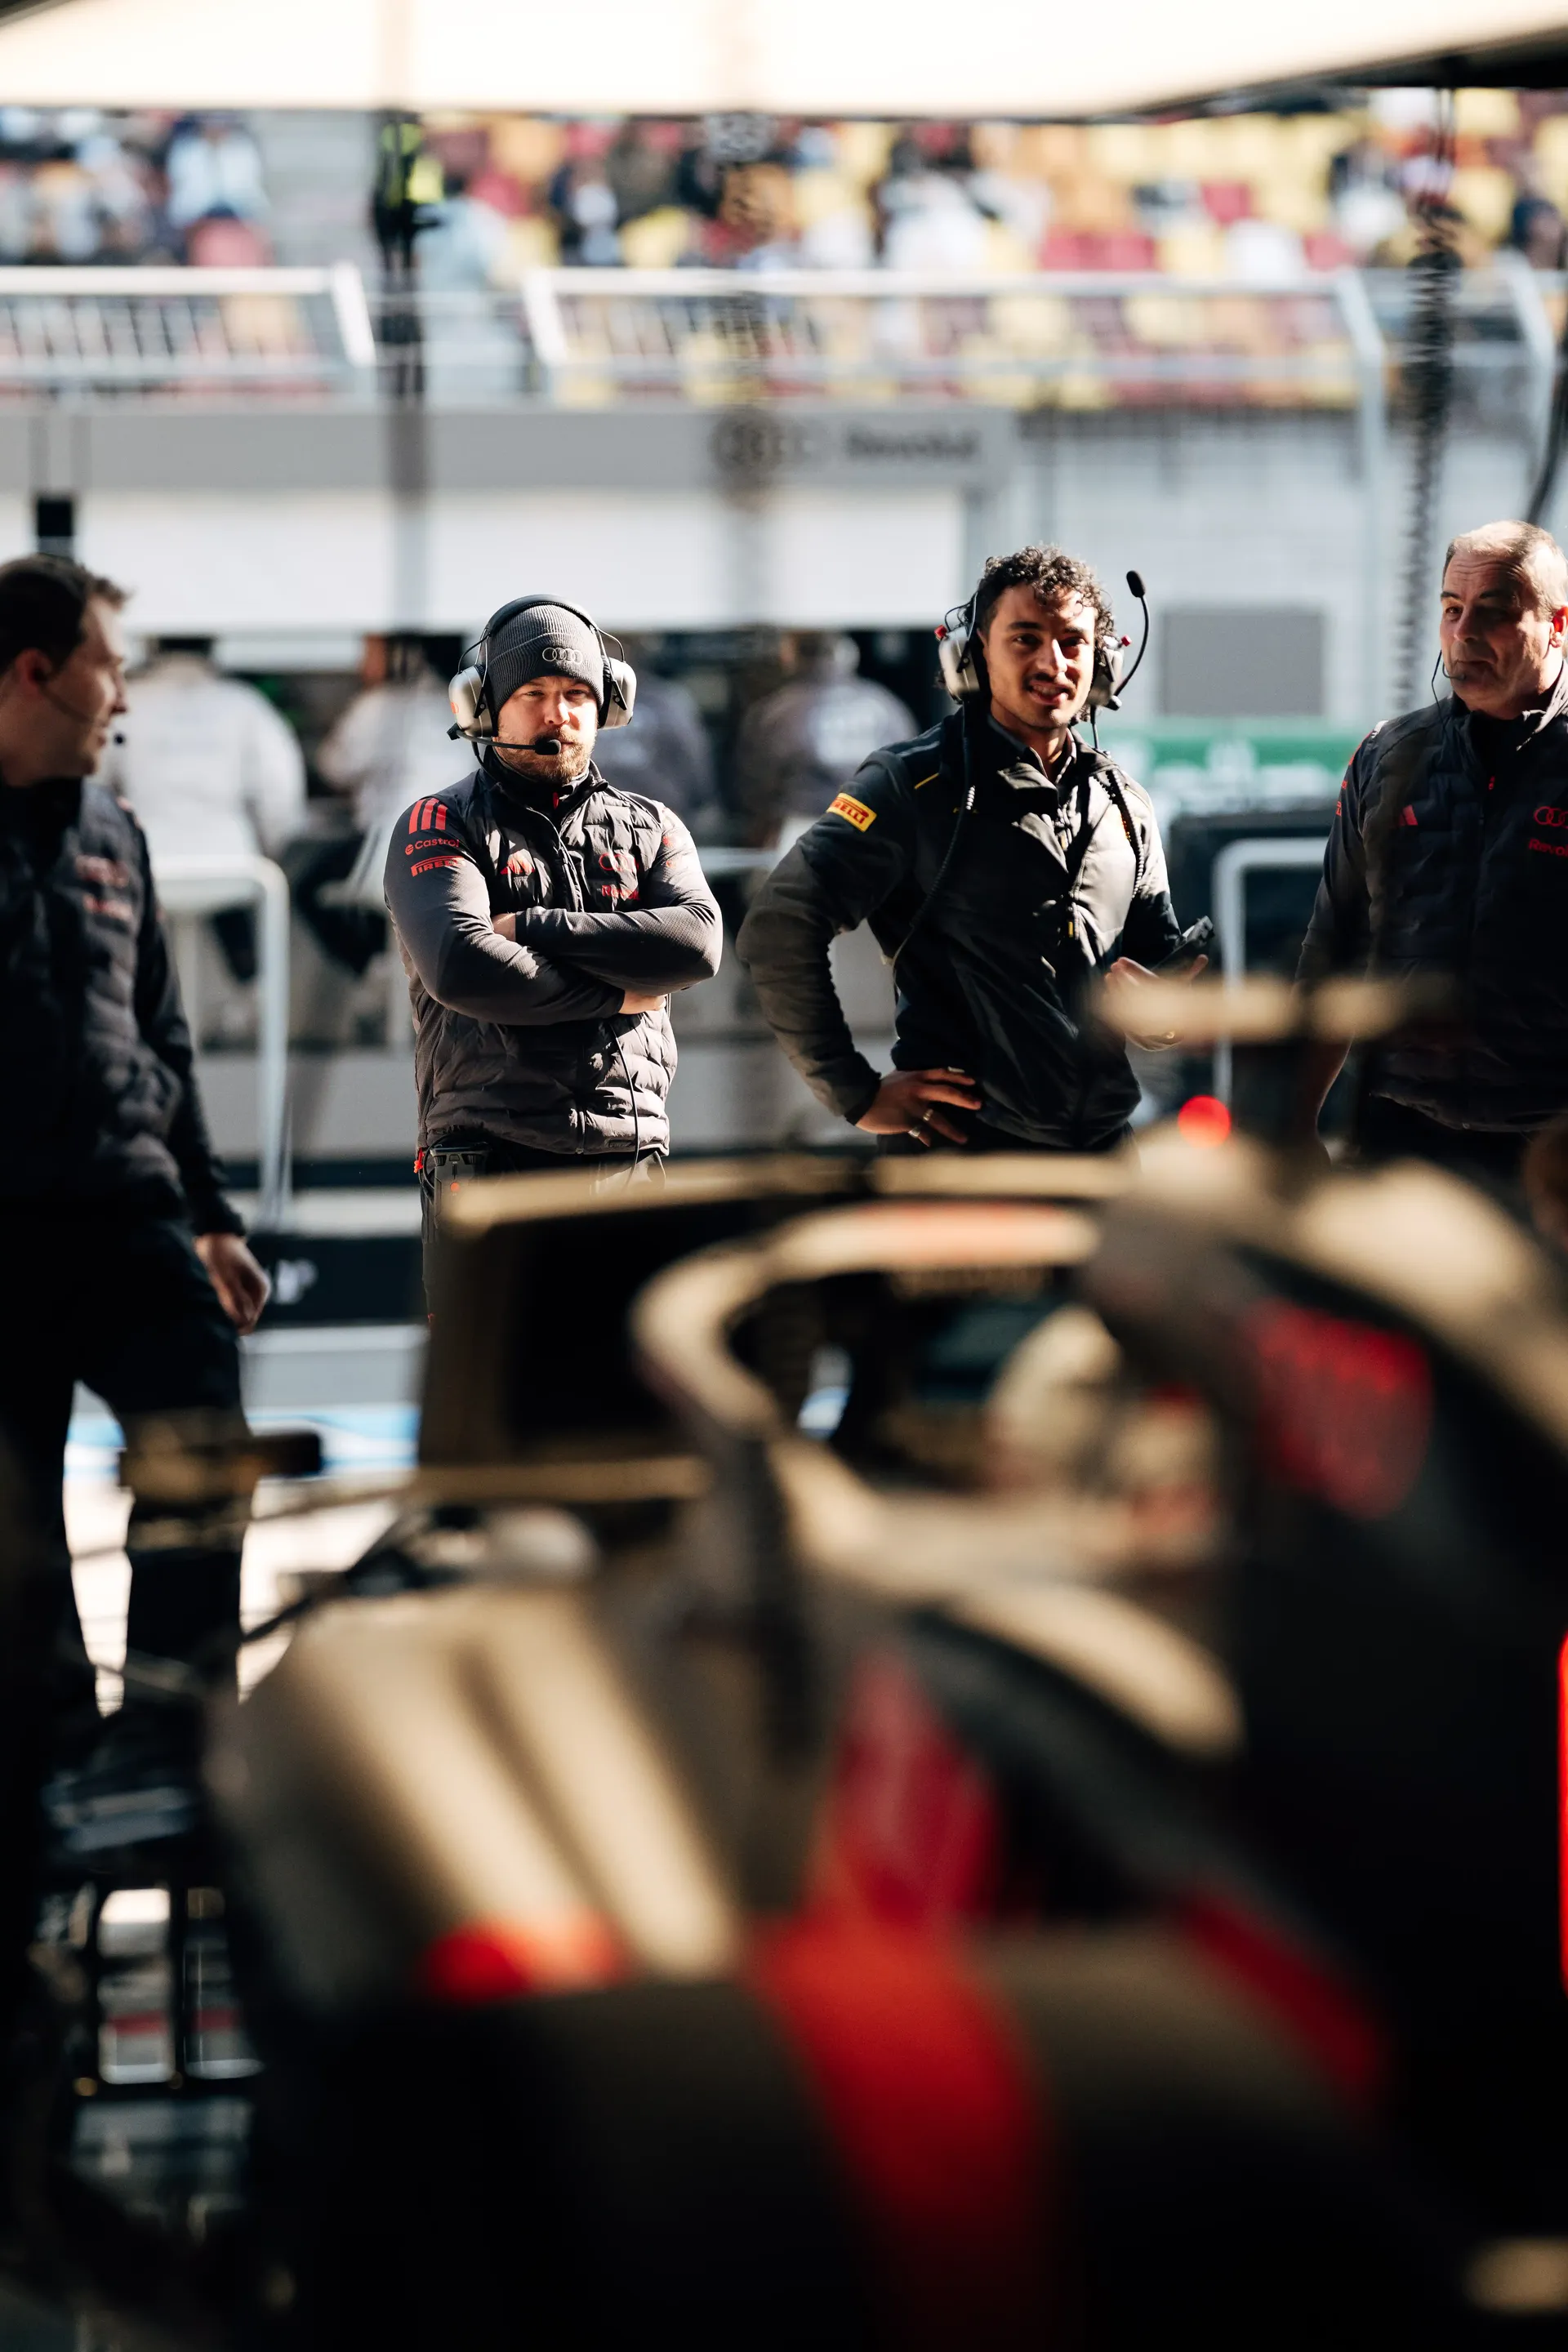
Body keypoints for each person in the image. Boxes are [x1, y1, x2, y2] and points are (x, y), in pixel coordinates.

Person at [0, 558, 270, 1774]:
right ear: (35, 673)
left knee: (203, 1434)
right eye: (109, 667)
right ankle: (48, 1763)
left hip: (127, 1216)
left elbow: (163, 1035)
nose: (123, 697)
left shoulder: (120, 834)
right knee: (15, 1539)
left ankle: (171, 1736)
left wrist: (211, 1216)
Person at [737, 545, 1193, 1154]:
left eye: (1072, 642)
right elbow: (779, 924)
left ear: (1102, 661)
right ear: (973, 654)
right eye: (1025, 639)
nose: (1052, 662)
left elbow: (1156, 970)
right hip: (961, 1160)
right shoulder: (910, 784)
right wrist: (855, 1092)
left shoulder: (1124, 804)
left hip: (1104, 1156)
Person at [381, 596, 723, 1285]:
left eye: (575, 694)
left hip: (629, 1160)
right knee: (493, 1392)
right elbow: (463, 966)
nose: (557, 713)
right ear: (483, 708)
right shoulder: (437, 822)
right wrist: (626, 991)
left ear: (609, 706)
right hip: (488, 1155)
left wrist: (533, 928)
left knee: (630, 1390)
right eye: (533, 693)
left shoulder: (655, 825)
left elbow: (697, 945)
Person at [1298, 520, 1568, 1181]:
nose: (1464, 633)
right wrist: (1292, 1120)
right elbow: (1334, 946)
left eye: (1494, 613)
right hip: (1400, 1136)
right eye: (1452, 609)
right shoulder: (1389, 756)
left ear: (1558, 623)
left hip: (1552, 1149)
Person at [105, 635, 305, 988]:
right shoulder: (245, 705)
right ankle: (248, 993)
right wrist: (272, 847)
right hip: (235, 864)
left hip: (147, 863)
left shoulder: (127, 702)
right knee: (253, 907)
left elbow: (94, 781)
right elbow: (282, 795)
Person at [302, 635, 457, 975]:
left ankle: (372, 969)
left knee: (307, 888)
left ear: (401, 652)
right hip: (460, 859)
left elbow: (333, 766)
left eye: (369, 648)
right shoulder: (476, 708)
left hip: (395, 855)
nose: (363, 660)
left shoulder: (382, 705)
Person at [733, 633, 915, 846]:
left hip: (804, 826)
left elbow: (755, 782)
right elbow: (909, 767)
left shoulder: (780, 711)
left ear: (793, 657)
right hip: (877, 825)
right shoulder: (885, 704)